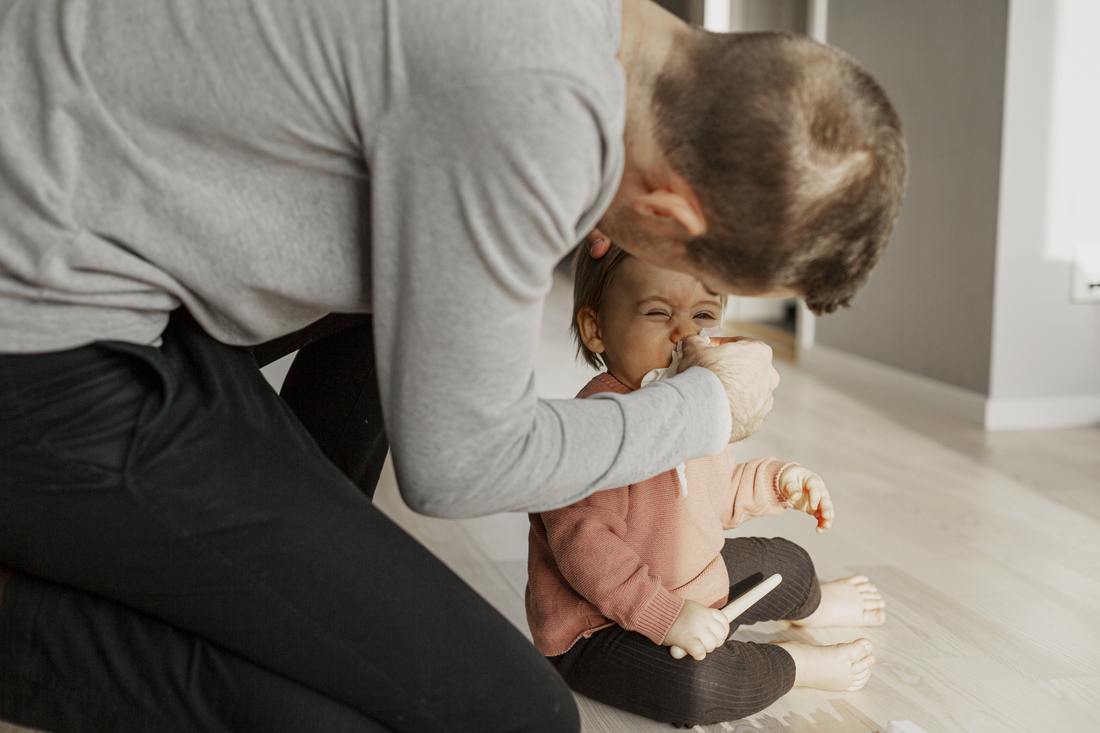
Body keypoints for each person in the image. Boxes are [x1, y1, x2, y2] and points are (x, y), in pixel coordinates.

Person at [0, 0, 907, 728]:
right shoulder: (533, 109)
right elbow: (460, 459)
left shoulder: (590, 37)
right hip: (41, 330)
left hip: (96, 212)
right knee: (511, 715)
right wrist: (711, 405)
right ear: (668, 212)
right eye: (706, 276)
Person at [526, 245, 888, 727]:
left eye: (703, 315)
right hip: (599, 627)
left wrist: (780, 481)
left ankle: (813, 605)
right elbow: (585, 549)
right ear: (596, 329)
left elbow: (718, 496)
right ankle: (794, 664)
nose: (686, 333)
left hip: (686, 582)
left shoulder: (698, 405)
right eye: (658, 313)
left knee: (789, 562)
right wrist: (669, 616)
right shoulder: (595, 426)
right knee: (701, 686)